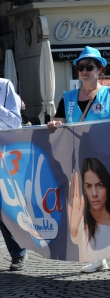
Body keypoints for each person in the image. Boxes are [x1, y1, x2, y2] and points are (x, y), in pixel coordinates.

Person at [47, 46, 110, 272]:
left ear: (100, 70)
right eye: (81, 67)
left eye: (89, 67)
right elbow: (58, 120)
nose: (84, 71)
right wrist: (55, 123)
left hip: (109, 159)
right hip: (82, 162)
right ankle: (99, 256)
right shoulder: (68, 97)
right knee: (89, 210)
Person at [0, 77, 26, 271]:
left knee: (5, 207)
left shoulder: (4, 86)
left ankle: (18, 252)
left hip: (4, 155)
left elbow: (16, 123)